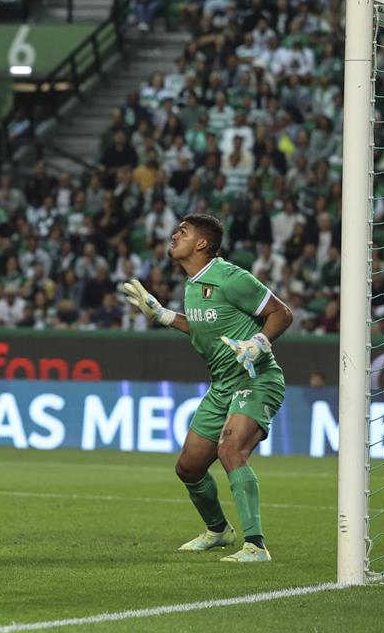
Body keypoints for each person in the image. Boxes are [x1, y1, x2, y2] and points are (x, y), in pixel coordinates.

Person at [121, 213, 292, 563]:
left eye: (182, 231)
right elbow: (202, 327)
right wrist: (162, 315)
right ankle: (218, 531)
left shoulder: (231, 277)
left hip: (256, 378)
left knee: (231, 450)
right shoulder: (192, 284)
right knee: (189, 468)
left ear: (201, 243)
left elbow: (282, 313)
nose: (173, 235)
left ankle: (256, 545)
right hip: (221, 386)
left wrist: (259, 342)